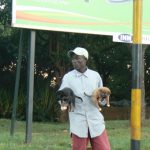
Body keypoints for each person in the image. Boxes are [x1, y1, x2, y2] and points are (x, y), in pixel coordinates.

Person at [58, 47, 110, 150]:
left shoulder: (95, 76)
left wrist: (103, 98)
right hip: (78, 122)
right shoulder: (68, 77)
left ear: (85, 59)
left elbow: (102, 101)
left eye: (78, 58)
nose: (75, 60)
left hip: (96, 121)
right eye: (73, 58)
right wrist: (65, 101)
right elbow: (61, 100)